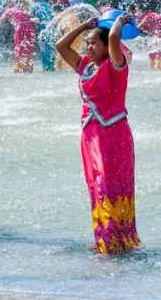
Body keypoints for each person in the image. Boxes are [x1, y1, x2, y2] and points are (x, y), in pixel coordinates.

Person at [56, 14, 140, 255]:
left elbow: (114, 35)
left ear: (106, 47)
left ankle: (118, 237)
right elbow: (61, 46)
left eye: (94, 43)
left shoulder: (116, 65)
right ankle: (105, 233)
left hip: (113, 134)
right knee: (96, 185)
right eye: (87, 43)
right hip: (90, 135)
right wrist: (84, 26)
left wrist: (121, 21)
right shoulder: (84, 66)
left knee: (111, 184)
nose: (89, 47)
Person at [1, 3, 35, 73]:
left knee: (18, 48)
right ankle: (29, 67)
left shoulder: (9, 10)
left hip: (20, 27)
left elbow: (1, 20)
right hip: (30, 27)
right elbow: (31, 17)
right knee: (29, 47)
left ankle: (19, 68)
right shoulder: (22, 9)